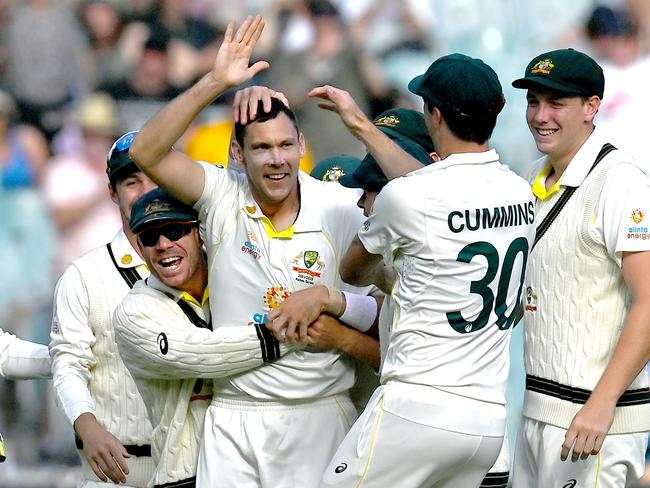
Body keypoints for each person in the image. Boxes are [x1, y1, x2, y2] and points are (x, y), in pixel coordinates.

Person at [129, 16, 380, 487]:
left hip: (320, 417)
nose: (277, 158)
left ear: (303, 145)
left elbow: (388, 309)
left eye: (287, 144)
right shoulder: (222, 194)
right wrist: (216, 82)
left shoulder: (342, 206)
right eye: (262, 148)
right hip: (235, 421)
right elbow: (147, 152)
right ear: (239, 156)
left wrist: (336, 319)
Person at [304, 53, 535, 487]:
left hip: (416, 407)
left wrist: (398, 268)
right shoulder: (520, 192)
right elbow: (438, 191)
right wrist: (363, 127)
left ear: (435, 114)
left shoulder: (410, 198)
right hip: (486, 422)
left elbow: (353, 270)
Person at [509, 48, 650, 487]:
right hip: (536, 414)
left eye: (556, 103)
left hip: (595, 424)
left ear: (592, 107)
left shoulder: (621, 180)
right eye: (534, 101)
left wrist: (602, 404)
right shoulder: (533, 174)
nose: (540, 115)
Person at [114, 187, 299, 487]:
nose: (163, 244)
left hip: (265, 460)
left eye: (174, 230)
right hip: (185, 476)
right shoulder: (133, 313)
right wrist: (298, 330)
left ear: (199, 232)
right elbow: (205, 355)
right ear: (140, 248)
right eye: (149, 238)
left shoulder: (236, 275)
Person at [50, 130, 157, 487]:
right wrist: (87, 425)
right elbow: (67, 363)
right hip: (111, 476)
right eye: (132, 182)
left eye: (157, 178)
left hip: (195, 471)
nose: (146, 192)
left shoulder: (208, 264)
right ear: (112, 192)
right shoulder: (83, 276)